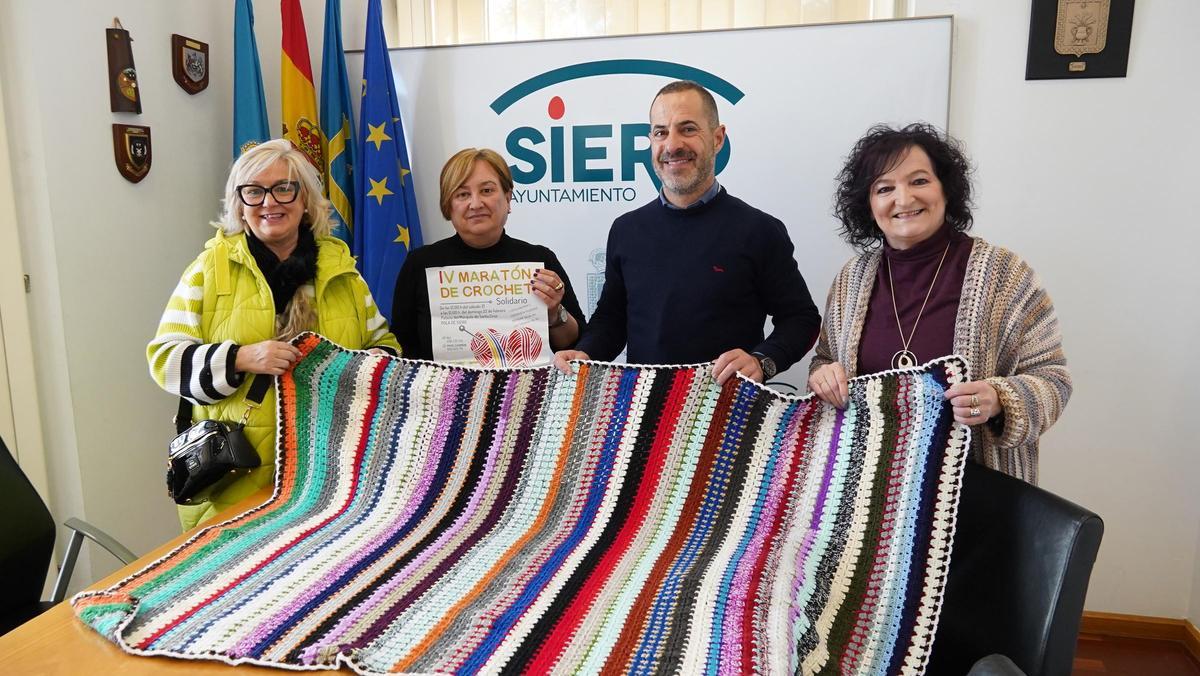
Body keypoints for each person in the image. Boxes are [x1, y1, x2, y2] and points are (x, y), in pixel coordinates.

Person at [148, 139, 401, 529]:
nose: (270, 202)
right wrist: (240, 358)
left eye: (284, 188)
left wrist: (346, 367)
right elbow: (165, 360)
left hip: (335, 472)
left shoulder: (342, 271)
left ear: (305, 201)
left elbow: (386, 349)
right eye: (254, 191)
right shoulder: (208, 269)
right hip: (238, 482)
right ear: (240, 204)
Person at [808, 123, 1070, 483]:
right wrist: (823, 378)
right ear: (868, 205)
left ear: (946, 189)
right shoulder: (852, 279)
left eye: (919, 181)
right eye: (885, 188)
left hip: (978, 496)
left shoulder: (1004, 274)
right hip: (870, 494)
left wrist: (998, 399)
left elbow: (1053, 379)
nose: (903, 199)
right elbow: (824, 362)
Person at [553, 80, 820, 384]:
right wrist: (586, 353)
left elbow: (802, 319)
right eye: (661, 132)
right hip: (645, 413)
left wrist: (763, 361)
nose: (672, 145)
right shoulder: (626, 230)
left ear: (718, 138)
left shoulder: (759, 230)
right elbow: (612, 320)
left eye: (688, 129)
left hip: (730, 414)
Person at [391, 147, 585, 359]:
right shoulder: (420, 264)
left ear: (508, 198)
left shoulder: (539, 260)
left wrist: (554, 314)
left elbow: (577, 344)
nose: (475, 204)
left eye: (487, 191)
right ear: (448, 205)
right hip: (441, 390)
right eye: (463, 194)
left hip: (526, 389)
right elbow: (402, 345)